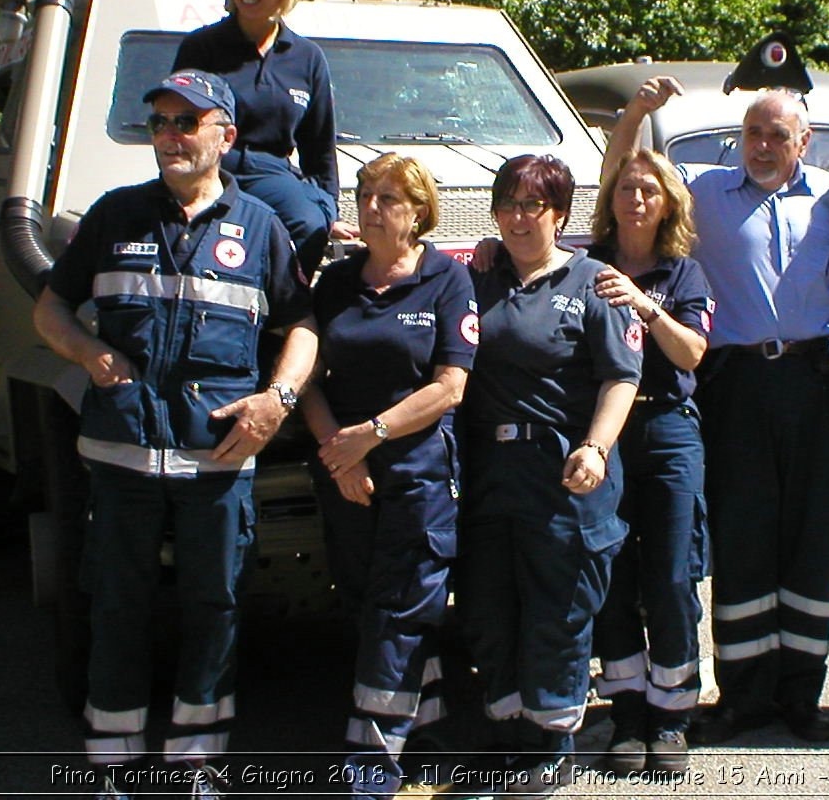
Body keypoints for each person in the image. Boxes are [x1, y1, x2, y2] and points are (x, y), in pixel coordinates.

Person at [32, 69, 318, 799]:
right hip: (123, 459)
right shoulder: (114, 216)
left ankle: (198, 767)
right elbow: (49, 310)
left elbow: (304, 328)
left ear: (225, 135)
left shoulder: (260, 228)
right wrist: (85, 351)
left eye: (187, 122)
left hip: (219, 461)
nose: (170, 136)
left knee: (214, 607)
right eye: (160, 122)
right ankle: (112, 768)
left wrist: (276, 400)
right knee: (117, 606)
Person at [601, 76, 829, 747]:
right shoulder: (704, 191)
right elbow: (624, 173)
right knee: (742, 541)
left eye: (777, 134)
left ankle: (801, 695)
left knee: (808, 543)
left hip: (813, 383)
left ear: (804, 140)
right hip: (735, 384)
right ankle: (742, 696)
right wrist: (638, 112)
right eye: (753, 133)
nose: (763, 146)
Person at [459, 154, 643, 797]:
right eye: (506, 204)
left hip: (564, 473)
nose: (515, 217)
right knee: (488, 602)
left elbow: (623, 377)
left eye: (530, 205)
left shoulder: (596, 284)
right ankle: (509, 724)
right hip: (490, 472)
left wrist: (595, 448)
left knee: (557, 609)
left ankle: (553, 737)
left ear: (560, 213)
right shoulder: (479, 278)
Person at [300, 154, 477, 800]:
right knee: (365, 603)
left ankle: (370, 759)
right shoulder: (336, 285)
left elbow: (451, 387)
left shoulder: (445, 281)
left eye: (388, 199)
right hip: (344, 471)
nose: (371, 208)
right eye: (365, 195)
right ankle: (426, 736)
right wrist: (336, 451)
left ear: (418, 212)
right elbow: (307, 379)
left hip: (417, 474)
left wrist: (370, 436)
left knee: (401, 611)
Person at [585, 149, 713, 775]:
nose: (635, 199)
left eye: (648, 191)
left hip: (665, 429)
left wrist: (645, 303)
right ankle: (628, 712)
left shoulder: (685, 273)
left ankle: (671, 713)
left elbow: (691, 355)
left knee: (667, 574)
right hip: (604, 433)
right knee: (611, 574)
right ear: (611, 201)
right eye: (626, 189)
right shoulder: (586, 267)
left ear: (667, 205)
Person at [173, 0, 340, 276]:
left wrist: (327, 210)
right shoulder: (201, 48)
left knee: (309, 226)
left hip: (273, 172)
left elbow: (319, 149)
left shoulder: (307, 58)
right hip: (212, 166)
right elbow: (175, 125)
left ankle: (281, 318)